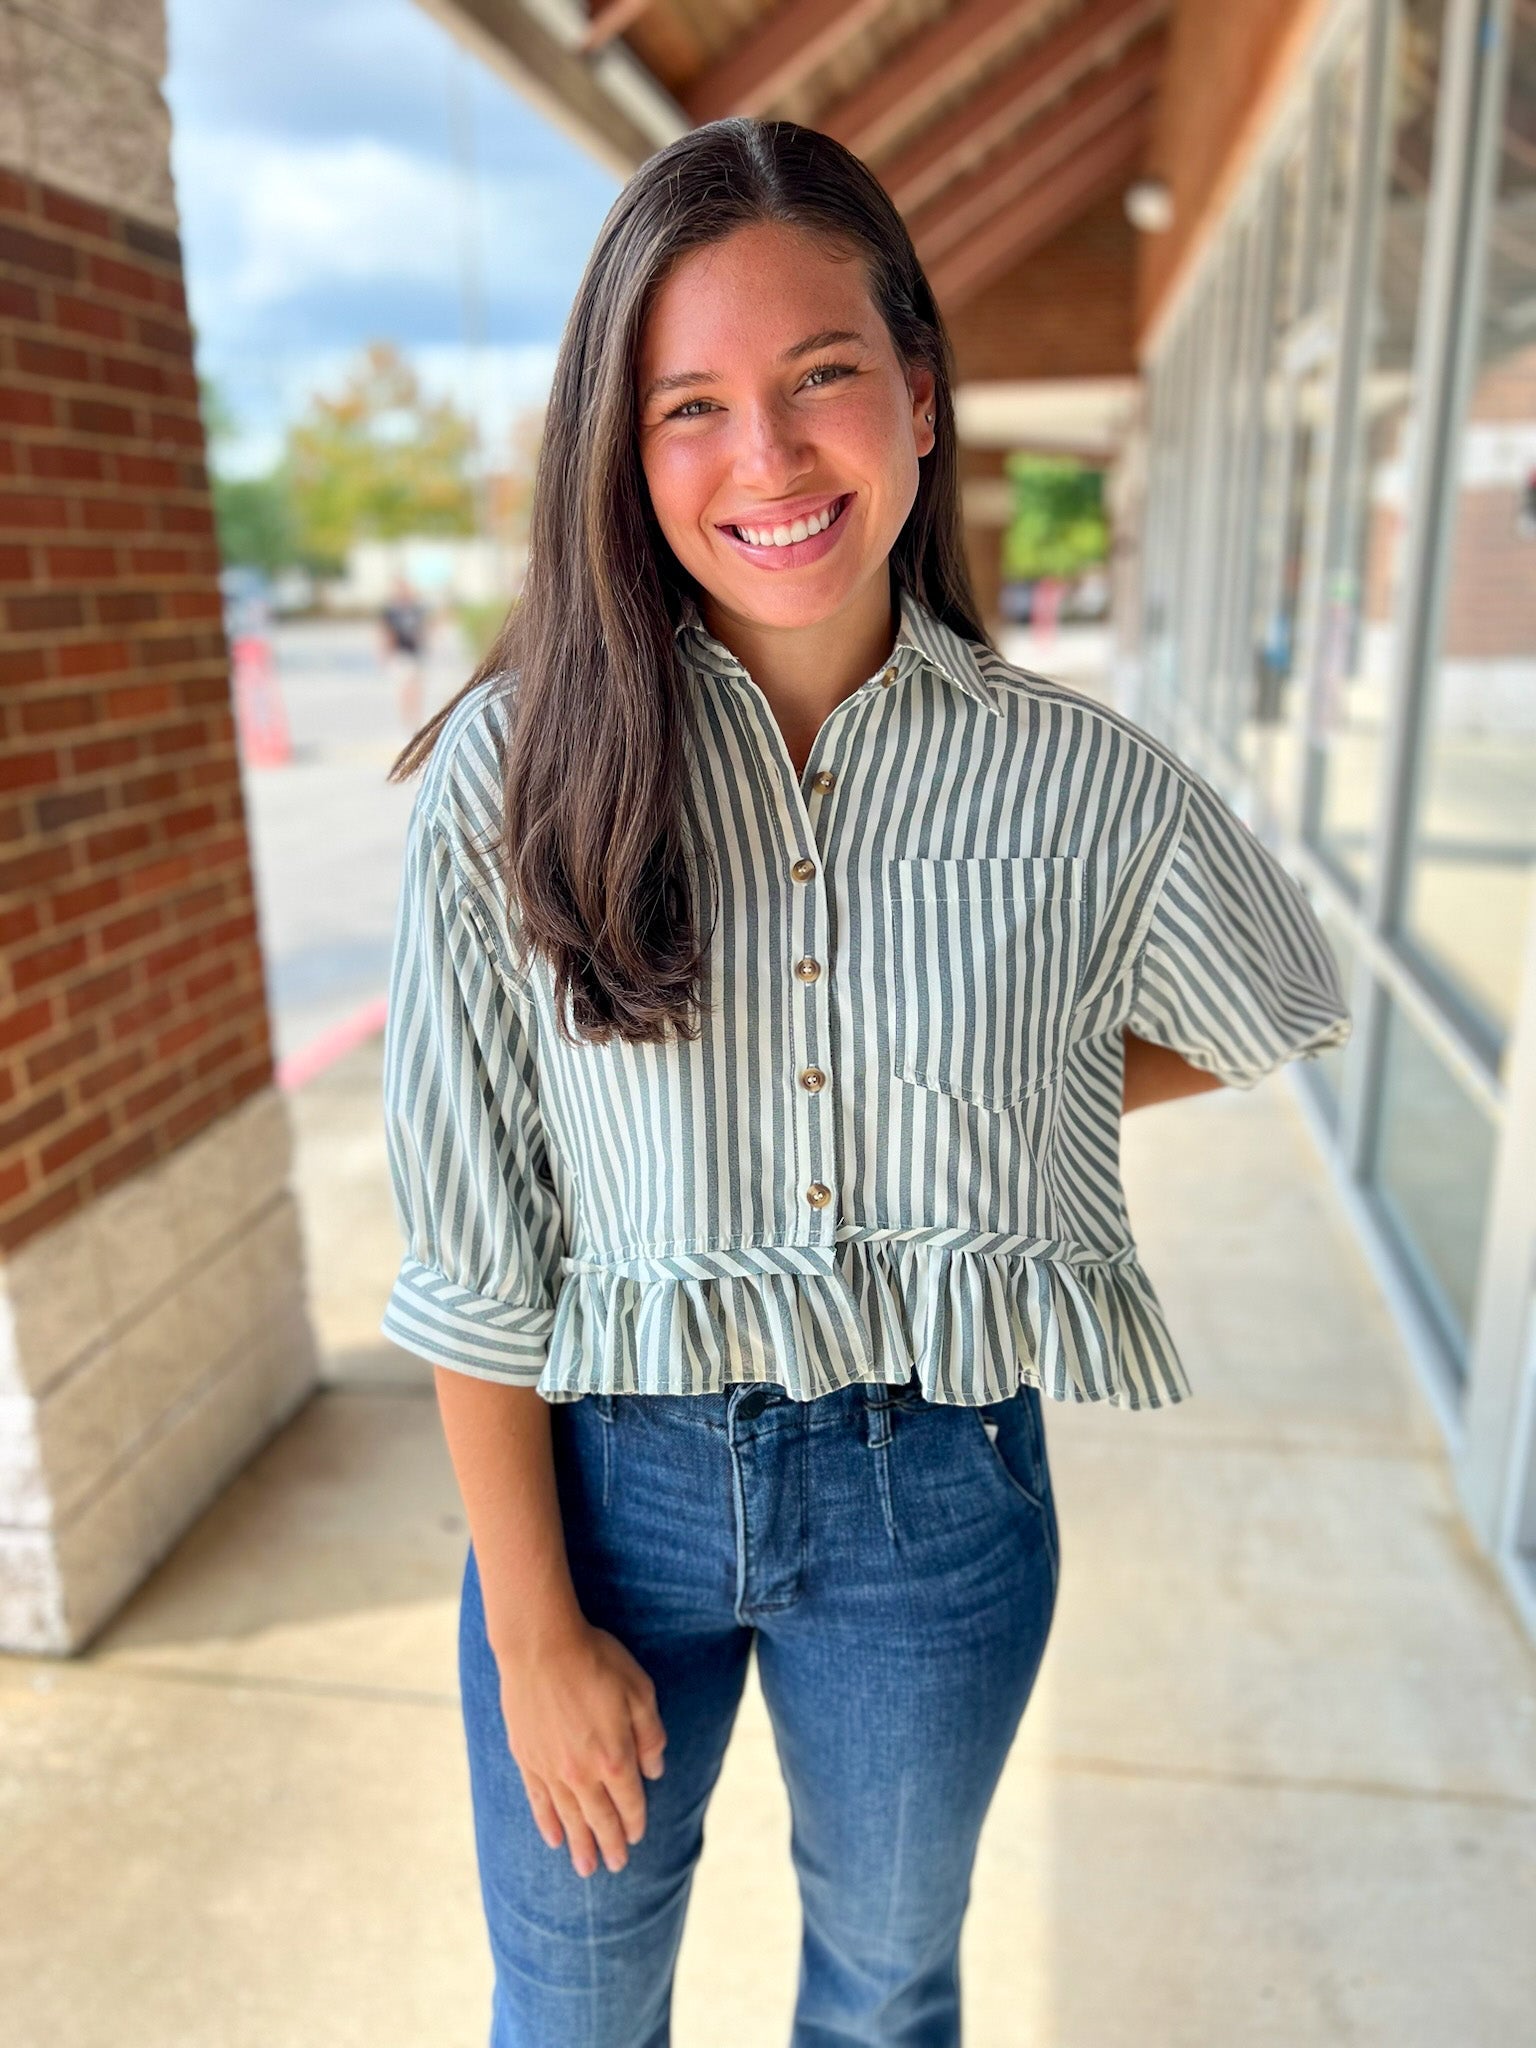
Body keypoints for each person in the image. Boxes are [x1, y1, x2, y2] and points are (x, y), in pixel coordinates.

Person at [379, 117, 1353, 2047]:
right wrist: (531, 1620)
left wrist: (1007, 1094)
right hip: (606, 1483)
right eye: (690, 406)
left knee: (889, 1985)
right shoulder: (513, 773)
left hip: (939, 1492)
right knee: (570, 2003)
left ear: (916, 388)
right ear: (620, 445)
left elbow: (1274, 998)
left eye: (822, 374)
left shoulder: (1078, 781)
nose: (768, 457)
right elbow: (474, 1243)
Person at [379, 573, 429, 732]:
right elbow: (386, 633)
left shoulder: (415, 609)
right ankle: (407, 718)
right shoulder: (391, 612)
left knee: (414, 687)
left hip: (413, 653)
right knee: (404, 687)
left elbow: (423, 628)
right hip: (400, 654)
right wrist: (385, 653)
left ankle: (415, 718)